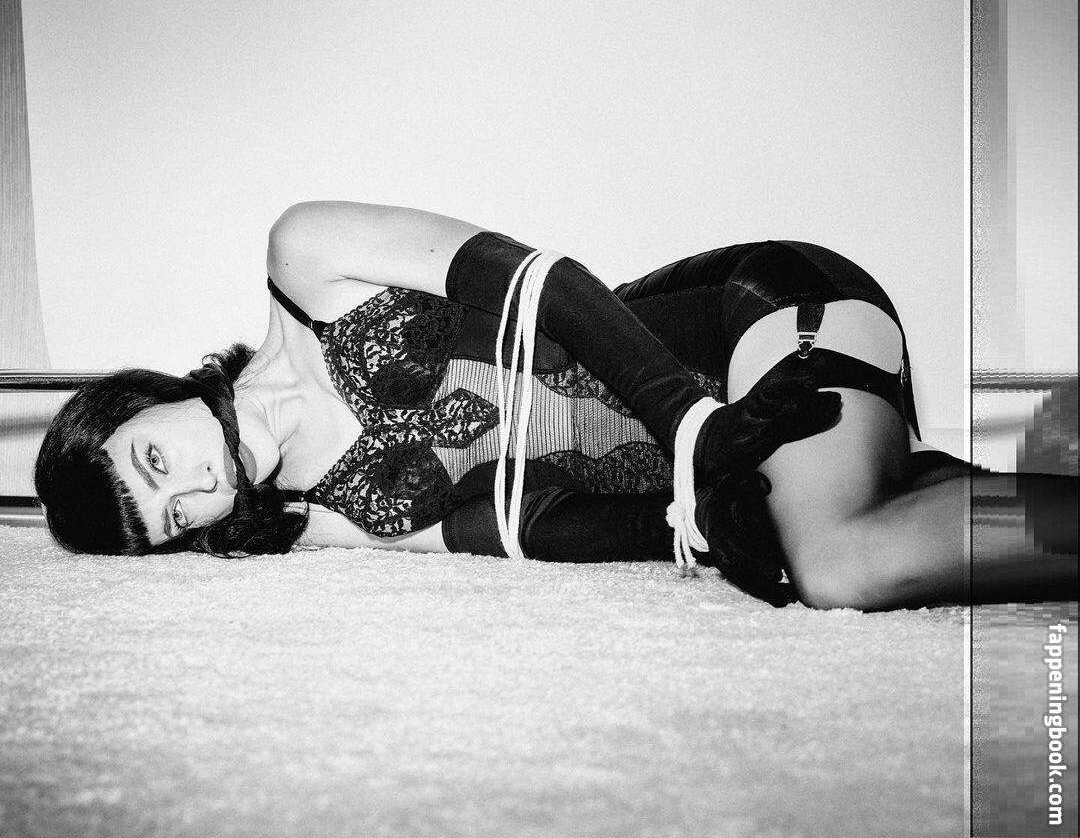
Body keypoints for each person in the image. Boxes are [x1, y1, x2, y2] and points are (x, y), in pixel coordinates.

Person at [34, 202, 1078, 610]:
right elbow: (536, 524)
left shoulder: (304, 260)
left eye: (155, 463)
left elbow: (545, 283)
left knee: (839, 565)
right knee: (855, 542)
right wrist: (699, 524)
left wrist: (691, 426)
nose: (198, 490)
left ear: (144, 399)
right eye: (172, 521)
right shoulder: (323, 522)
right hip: (734, 456)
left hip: (757, 316)